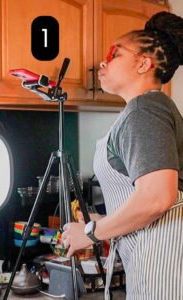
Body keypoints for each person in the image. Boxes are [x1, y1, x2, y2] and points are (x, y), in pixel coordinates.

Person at [61, 11, 183, 300]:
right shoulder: (146, 111)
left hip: (165, 256)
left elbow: (157, 197)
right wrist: (104, 218)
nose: (103, 61)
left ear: (143, 63)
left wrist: (91, 231)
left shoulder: (145, 110)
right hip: (155, 253)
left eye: (115, 53)